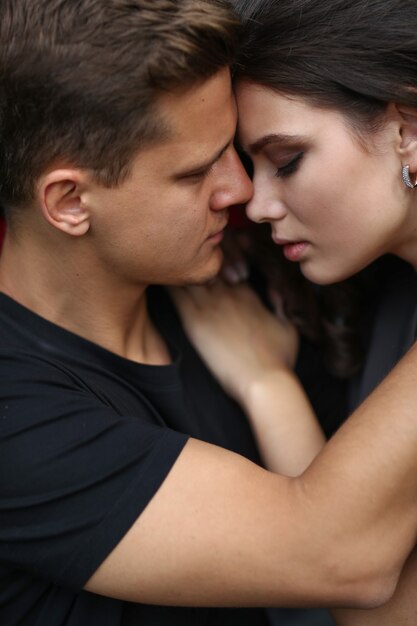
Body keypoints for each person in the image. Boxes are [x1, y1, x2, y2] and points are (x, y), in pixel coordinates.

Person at [2, 2, 417, 626]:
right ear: (68, 202)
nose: (242, 192)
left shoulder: (250, 277)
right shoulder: (19, 416)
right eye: (198, 172)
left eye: (237, 152)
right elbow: (339, 555)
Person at [170, 0, 417, 623]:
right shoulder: (393, 297)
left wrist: (266, 385)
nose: (255, 204)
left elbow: (379, 608)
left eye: (287, 161)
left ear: (407, 130)